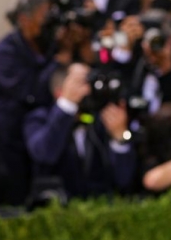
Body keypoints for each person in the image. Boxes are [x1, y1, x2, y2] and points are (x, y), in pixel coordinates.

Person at [0, 0, 63, 205]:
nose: (49, 25)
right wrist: (59, 61)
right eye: (45, 17)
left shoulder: (47, 49)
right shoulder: (6, 52)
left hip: (26, 144)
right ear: (24, 20)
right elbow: (32, 93)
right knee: (5, 198)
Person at [23, 63, 137, 202]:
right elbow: (45, 154)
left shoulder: (100, 120)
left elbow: (123, 180)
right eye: (82, 83)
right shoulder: (39, 118)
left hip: (98, 209)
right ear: (60, 91)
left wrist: (120, 137)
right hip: (55, 208)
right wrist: (67, 106)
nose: (89, 89)